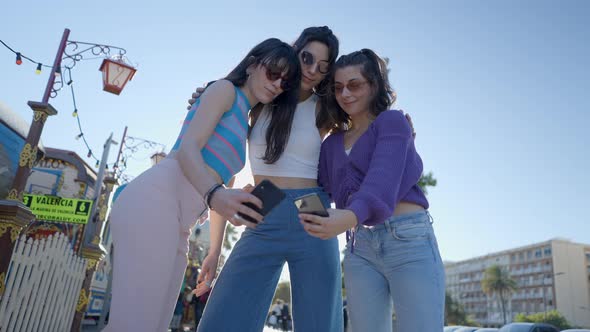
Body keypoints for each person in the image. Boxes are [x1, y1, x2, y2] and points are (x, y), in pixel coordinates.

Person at [103, 38, 301, 332]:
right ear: (251, 64)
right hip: (155, 200)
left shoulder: (246, 126)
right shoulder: (223, 90)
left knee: (155, 325)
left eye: (285, 82)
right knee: (133, 324)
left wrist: (214, 252)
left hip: (181, 221)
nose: (277, 84)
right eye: (273, 72)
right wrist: (214, 194)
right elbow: (188, 149)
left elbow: (222, 190)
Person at [191, 27, 344, 332]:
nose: (312, 70)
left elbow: (364, 120)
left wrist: (398, 127)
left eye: (322, 67)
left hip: (311, 204)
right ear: (294, 50)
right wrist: (214, 249)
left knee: (319, 322)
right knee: (223, 318)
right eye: (307, 58)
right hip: (266, 200)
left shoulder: (326, 108)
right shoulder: (260, 100)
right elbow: (228, 174)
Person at [299, 49, 445, 331]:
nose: (345, 94)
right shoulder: (330, 144)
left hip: (408, 239)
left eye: (355, 85)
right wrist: (262, 198)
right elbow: (310, 189)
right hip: (359, 247)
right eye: (339, 87)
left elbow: (381, 183)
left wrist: (349, 217)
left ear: (374, 86)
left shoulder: (392, 122)